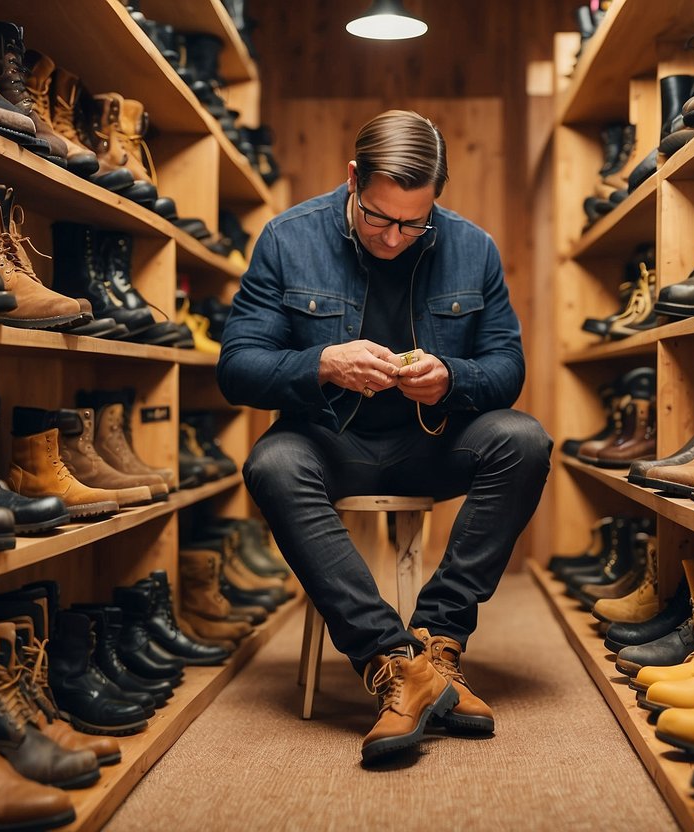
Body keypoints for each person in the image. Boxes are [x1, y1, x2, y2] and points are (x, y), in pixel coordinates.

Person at [216, 109, 552, 764]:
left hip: (430, 445)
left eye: (412, 222)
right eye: (377, 217)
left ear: (435, 199)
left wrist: (451, 377)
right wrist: (320, 364)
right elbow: (236, 368)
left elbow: (506, 368)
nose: (394, 238)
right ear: (352, 179)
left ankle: (438, 640)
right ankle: (395, 661)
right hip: (329, 444)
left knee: (524, 439)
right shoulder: (287, 239)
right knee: (272, 463)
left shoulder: (472, 247)